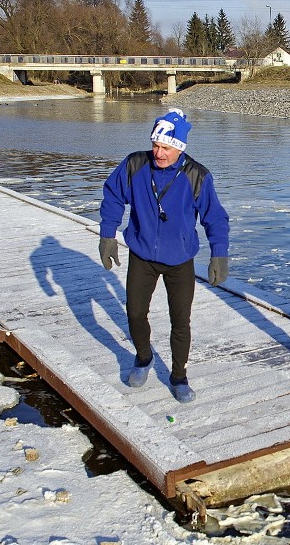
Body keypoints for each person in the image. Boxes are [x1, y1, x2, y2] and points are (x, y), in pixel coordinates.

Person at [98, 108, 230, 403]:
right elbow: (113, 196)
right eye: (156, 145)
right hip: (142, 254)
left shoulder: (196, 176)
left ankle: (178, 377)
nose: (158, 153)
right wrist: (108, 235)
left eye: (166, 148)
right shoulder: (135, 165)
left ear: (180, 148)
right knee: (134, 313)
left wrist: (219, 254)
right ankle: (143, 358)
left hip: (180, 260)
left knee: (180, 321)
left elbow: (215, 218)